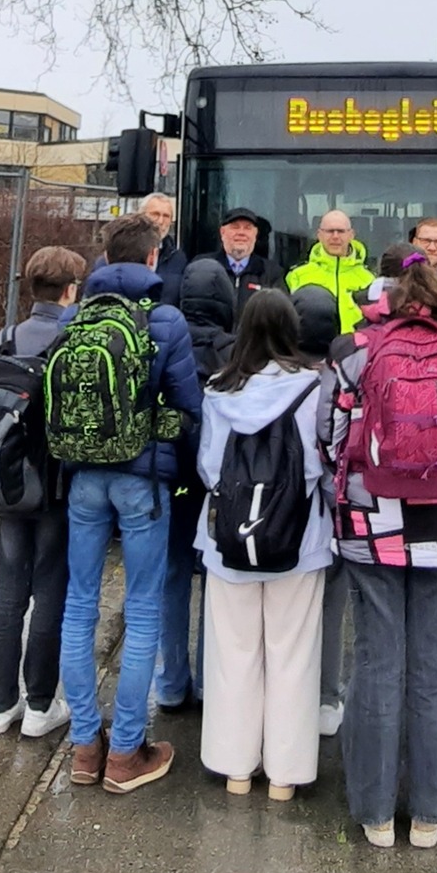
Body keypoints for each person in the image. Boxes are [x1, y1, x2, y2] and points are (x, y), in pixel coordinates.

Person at [319, 250, 437, 849]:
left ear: (386, 302)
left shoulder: (353, 351)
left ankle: (372, 811)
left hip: (372, 531)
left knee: (375, 662)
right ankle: (429, 812)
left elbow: (331, 442)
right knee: (436, 668)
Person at [58, 213, 203, 794]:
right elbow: (188, 406)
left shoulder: (75, 317)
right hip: (141, 481)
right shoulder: (164, 320)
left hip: (83, 480)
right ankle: (126, 754)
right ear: (152, 259)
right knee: (143, 609)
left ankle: (84, 747)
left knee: (79, 605)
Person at [196, 290, 331, 797]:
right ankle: (286, 774)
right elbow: (318, 466)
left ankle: (234, 766)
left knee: (233, 652)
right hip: (300, 538)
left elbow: (211, 468)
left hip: (228, 540)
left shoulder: (218, 387)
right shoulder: (311, 387)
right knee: (292, 654)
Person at [0, 245, 87, 738]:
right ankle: (41, 707)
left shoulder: (5, 337)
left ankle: (0, 706)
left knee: (7, 595)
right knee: (49, 593)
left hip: (6, 483)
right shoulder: (72, 338)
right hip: (56, 485)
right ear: (71, 290)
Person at [155, 259, 238, 713]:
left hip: (172, 475)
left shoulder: (165, 338)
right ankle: (209, 681)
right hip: (220, 482)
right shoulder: (236, 349)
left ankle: (170, 683)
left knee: (171, 575)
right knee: (215, 579)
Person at [292, 281, 351, 737]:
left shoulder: (266, 381)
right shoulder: (341, 380)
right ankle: (326, 698)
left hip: (277, 518)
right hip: (330, 516)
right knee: (333, 603)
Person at [91, 192, 188, 306]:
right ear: (141, 215)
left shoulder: (178, 259)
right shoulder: (116, 254)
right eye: (155, 214)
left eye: (166, 216)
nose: (160, 221)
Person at [286, 210, 375, 334]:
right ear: (319, 235)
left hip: (356, 350)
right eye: (330, 231)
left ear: (351, 235)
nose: (335, 236)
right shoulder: (297, 276)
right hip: (311, 350)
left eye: (341, 231)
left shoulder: (370, 279)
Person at [194, 207, 284, 318]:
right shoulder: (201, 267)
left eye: (247, 228)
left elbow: (278, 317)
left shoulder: (272, 273)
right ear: (222, 232)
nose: (241, 233)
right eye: (235, 227)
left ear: (255, 235)